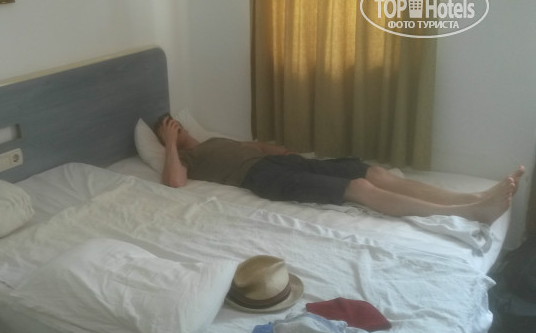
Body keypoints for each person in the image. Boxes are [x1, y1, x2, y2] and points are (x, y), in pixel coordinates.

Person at [154, 114, 524, 225]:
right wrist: (169, 143)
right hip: (263, 178)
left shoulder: (213, 141)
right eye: (169, 128)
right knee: (361, 190)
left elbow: (254, 146)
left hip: (280, 162)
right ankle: (468, 213)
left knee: (372, 173)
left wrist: (278, 149)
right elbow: (174, 183)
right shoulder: (187, 159)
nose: (177, 128)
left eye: (176, 124)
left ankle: (472, 196)